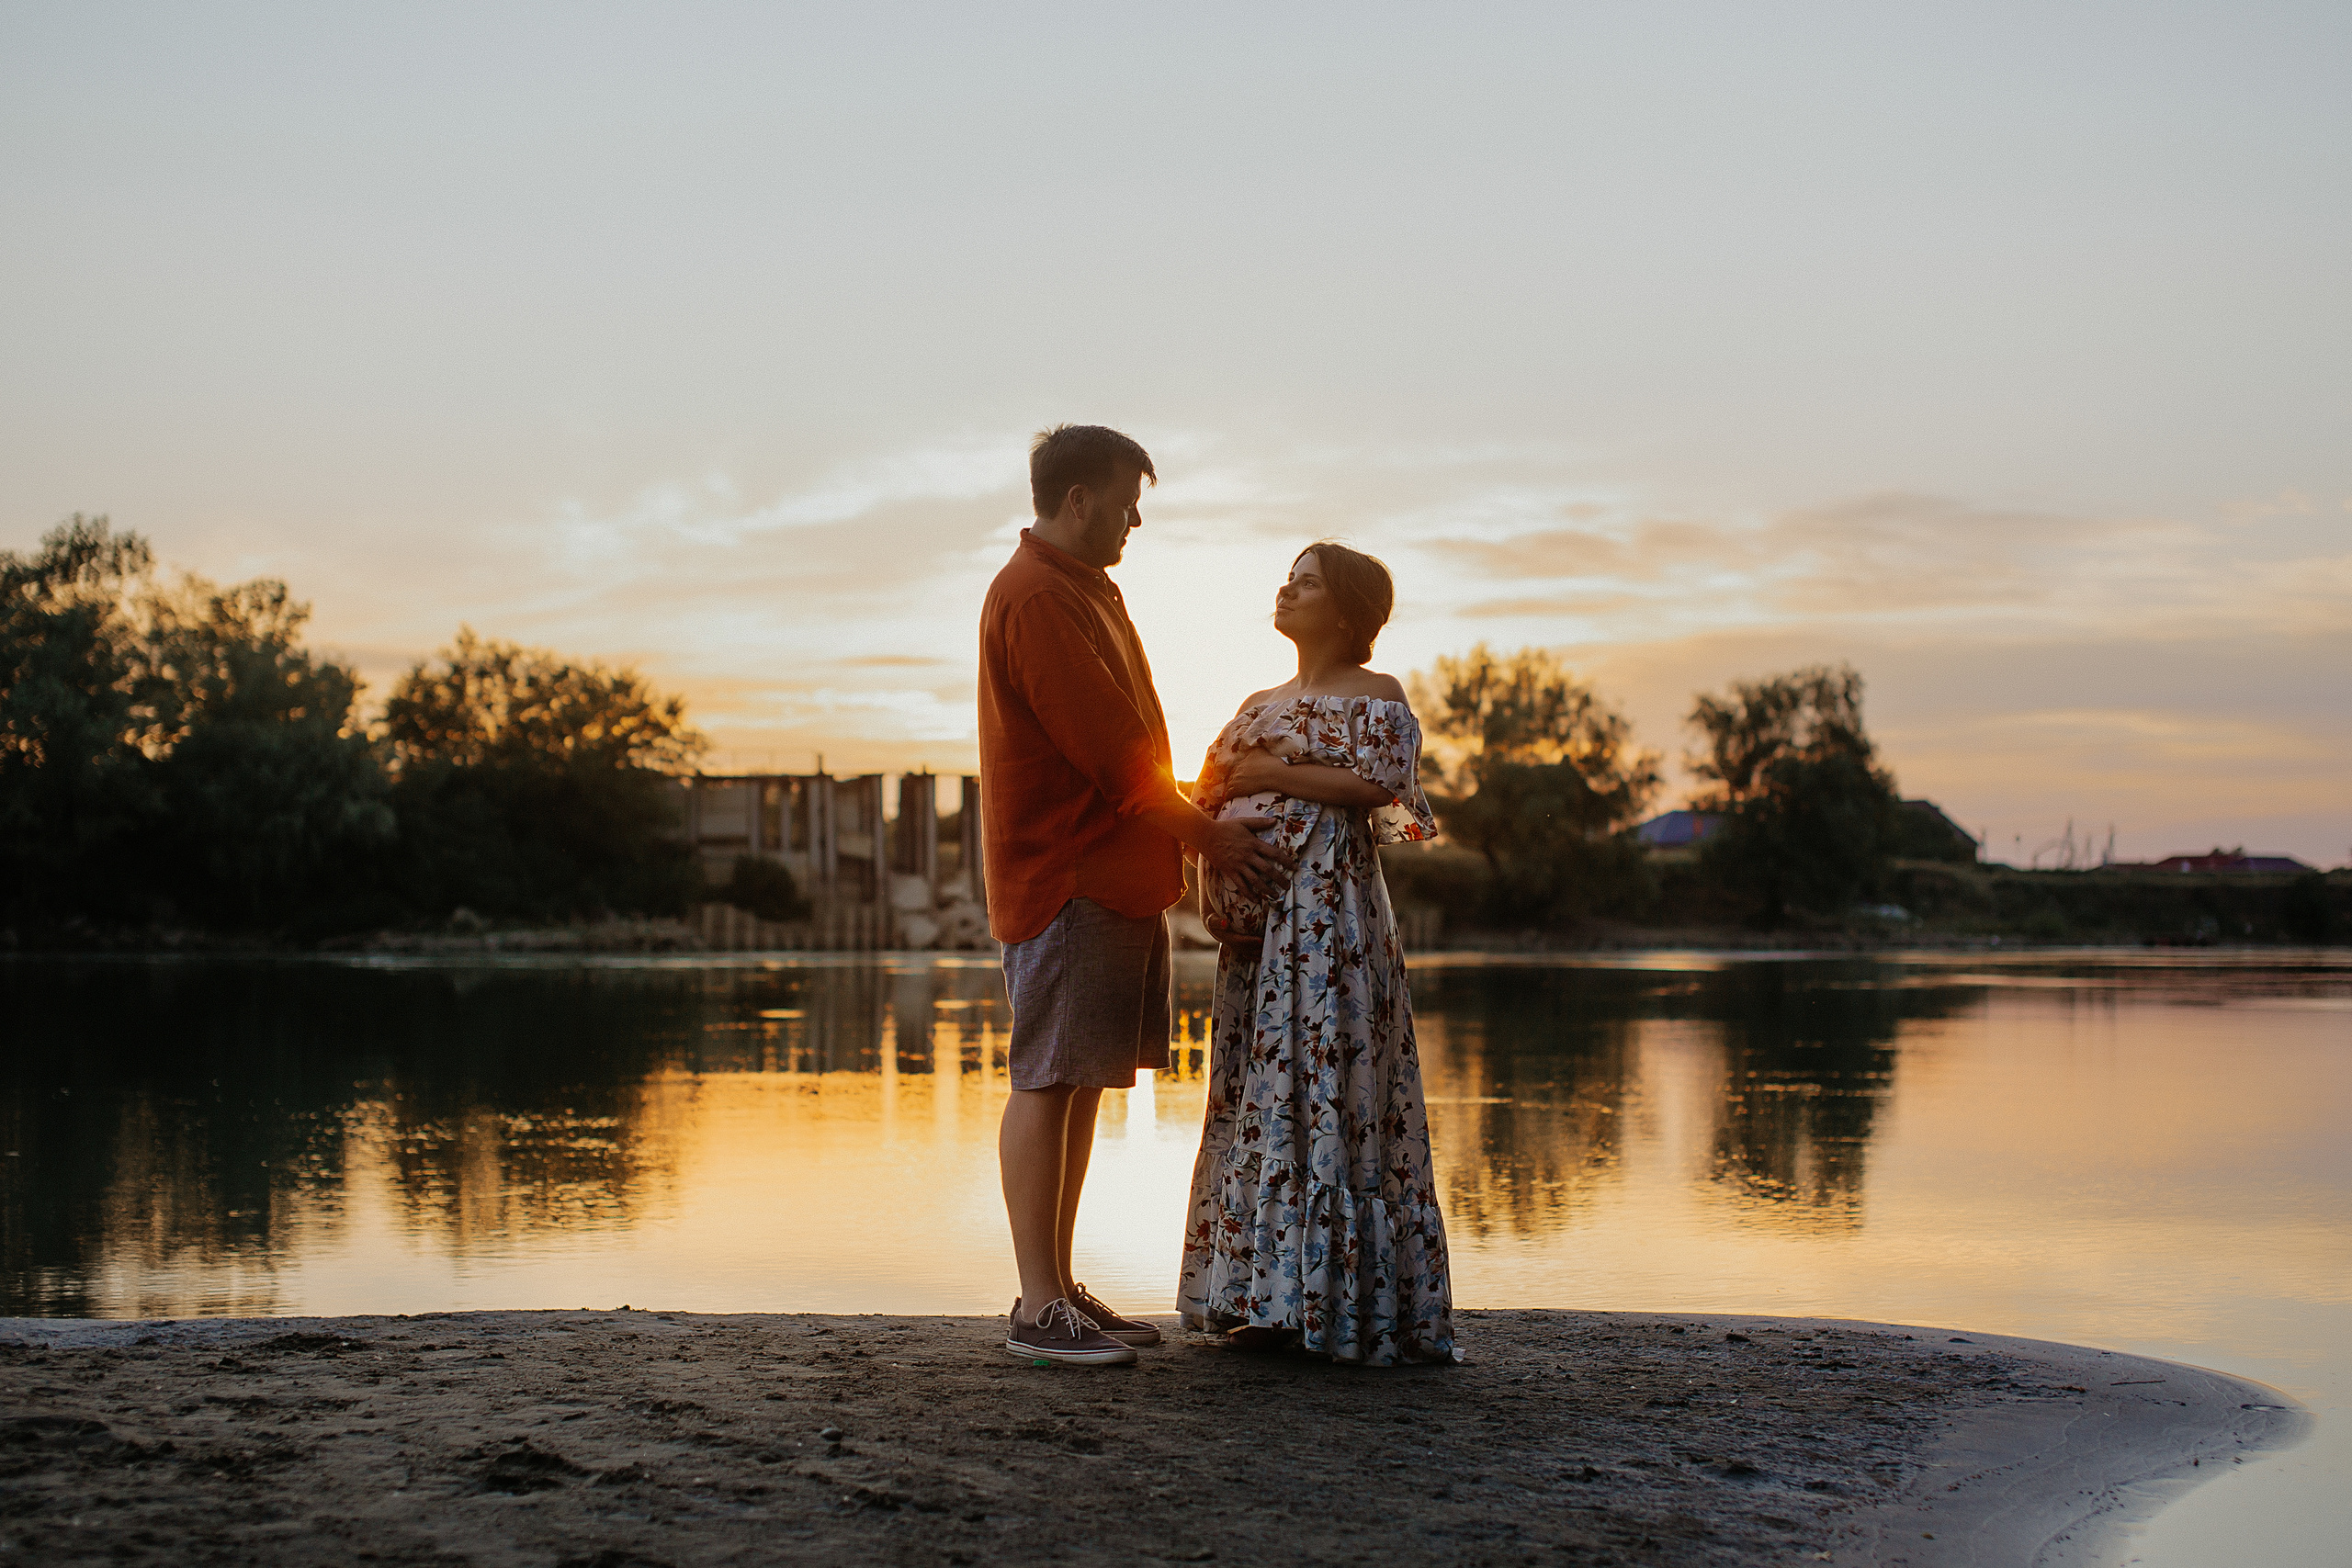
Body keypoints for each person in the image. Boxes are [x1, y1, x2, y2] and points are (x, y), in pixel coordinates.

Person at [978, 423, 1293, 1367]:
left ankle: (1057, 1285)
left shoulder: (1080, 587)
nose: (1135, 521)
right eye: (1125, 503)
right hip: (1066, 876)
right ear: (1078, 500)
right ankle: (1038, 1307)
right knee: (1046, 1078)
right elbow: (1115, 754)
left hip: (1105, 879)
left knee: (1077, 1081)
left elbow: (1133, 743)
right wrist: (1211, 838)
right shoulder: (1038, 596)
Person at [1177, 541, 1457, 1365]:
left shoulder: (1378, 694)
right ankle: (1257, 1296)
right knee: (1263, 1090)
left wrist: (1271, 769)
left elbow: (1378, 788)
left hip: (1331, 923)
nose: (1286, 589)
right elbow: (1208, 797)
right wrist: (1220, 874)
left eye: (1306, 583)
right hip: (1261, 939)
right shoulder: (1255, 701)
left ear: (1345, 609)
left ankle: (1328, 1302)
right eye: (1288, 578)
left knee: (1331, 1083)